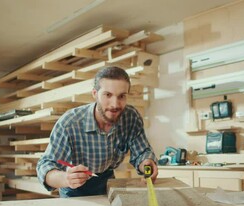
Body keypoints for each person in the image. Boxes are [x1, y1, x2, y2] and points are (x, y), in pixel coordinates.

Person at [36, 66, 158, 197]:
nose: (115, 104)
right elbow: (45, 166)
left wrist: (147, 163)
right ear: (95, 94)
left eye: (121, 96)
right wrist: (66, 178)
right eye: (108, 95)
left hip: (107, 181)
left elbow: (142, 152)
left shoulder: (130, 117)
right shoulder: (69, 123)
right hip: (74, 187)